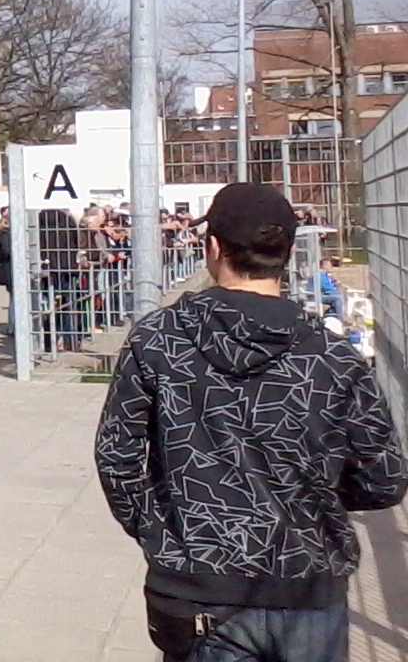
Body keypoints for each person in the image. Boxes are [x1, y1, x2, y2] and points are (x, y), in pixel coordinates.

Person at [96, 183, 407, 662]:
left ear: (214, 247)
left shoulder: (157, 340)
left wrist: (161, 528)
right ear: (285, 252)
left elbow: (117, 456)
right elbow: (384, 478)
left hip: (199, 585)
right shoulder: (331, 354)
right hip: (307, 583)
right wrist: (318, 492)